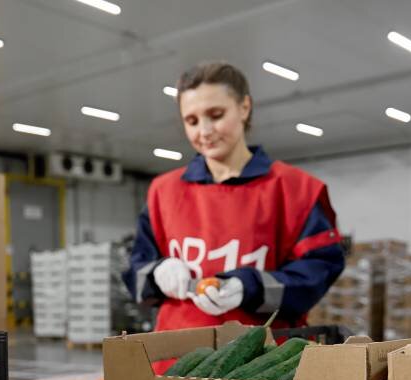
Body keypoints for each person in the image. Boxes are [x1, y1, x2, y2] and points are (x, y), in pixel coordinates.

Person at [123, 61, 345, 336]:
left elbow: (318, 270)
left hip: (264, 358)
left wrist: (251, 286)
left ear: (244, 107)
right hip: (174, 355)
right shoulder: (163, 191)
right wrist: (157, 273)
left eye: (215, 115)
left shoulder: (296, 189)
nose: (203, 131)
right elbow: (135, 270)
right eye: (191, 121)